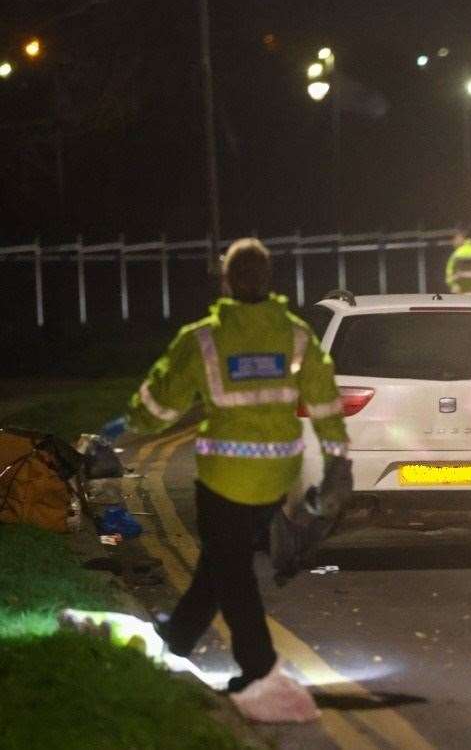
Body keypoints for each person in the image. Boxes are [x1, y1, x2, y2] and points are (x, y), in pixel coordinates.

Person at [102, 238, 348, 722]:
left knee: (231, 566)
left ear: (227, 280)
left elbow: (162, 405)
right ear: (270, 279)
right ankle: (179, 638)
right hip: (275, 477)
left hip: (222, 478)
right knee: (224, 558)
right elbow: (324, 400)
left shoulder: (204, 339)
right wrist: (339, 458)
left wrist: (128, 420)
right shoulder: (296, 336)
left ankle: (258, 666)